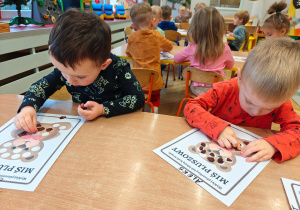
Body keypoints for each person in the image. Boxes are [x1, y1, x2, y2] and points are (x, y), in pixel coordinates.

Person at [14, 9, 145, 133]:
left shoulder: (119, 68)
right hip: (82, 125)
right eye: (62, 71)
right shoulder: (69, 71)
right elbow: (40, 87)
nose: (70, 81)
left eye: (80, 77)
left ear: (104, 65)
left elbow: (137, 98)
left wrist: (102, 109)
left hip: (117, 125)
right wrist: (28, 108)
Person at [184, 37, 300, 163]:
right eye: (249, 101)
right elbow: (192, 106)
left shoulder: (281, 101)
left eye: (269, 108)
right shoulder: (226, 89)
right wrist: (218, 127)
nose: (255, 112)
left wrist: (273, 145)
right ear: (240, 77)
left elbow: (297, 130)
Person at [174, 7, 234, 96]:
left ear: (195, 28)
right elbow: (230, 65)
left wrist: (190, 57)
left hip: (196, 90)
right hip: (216, 91)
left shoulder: (192, 47)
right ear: (219, 27)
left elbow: (176, 59)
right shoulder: (224, 48)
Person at [126, 3, 173, 113]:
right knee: (156, 96)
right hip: (154, 82)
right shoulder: (157, 35)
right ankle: (154, 109)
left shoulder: (132, 37)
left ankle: (139, 107)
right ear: (152, 21)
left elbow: (128, 53)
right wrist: (163, 48)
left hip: (137, 83)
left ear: (133, 27)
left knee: (139, 95)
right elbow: (170, 46)